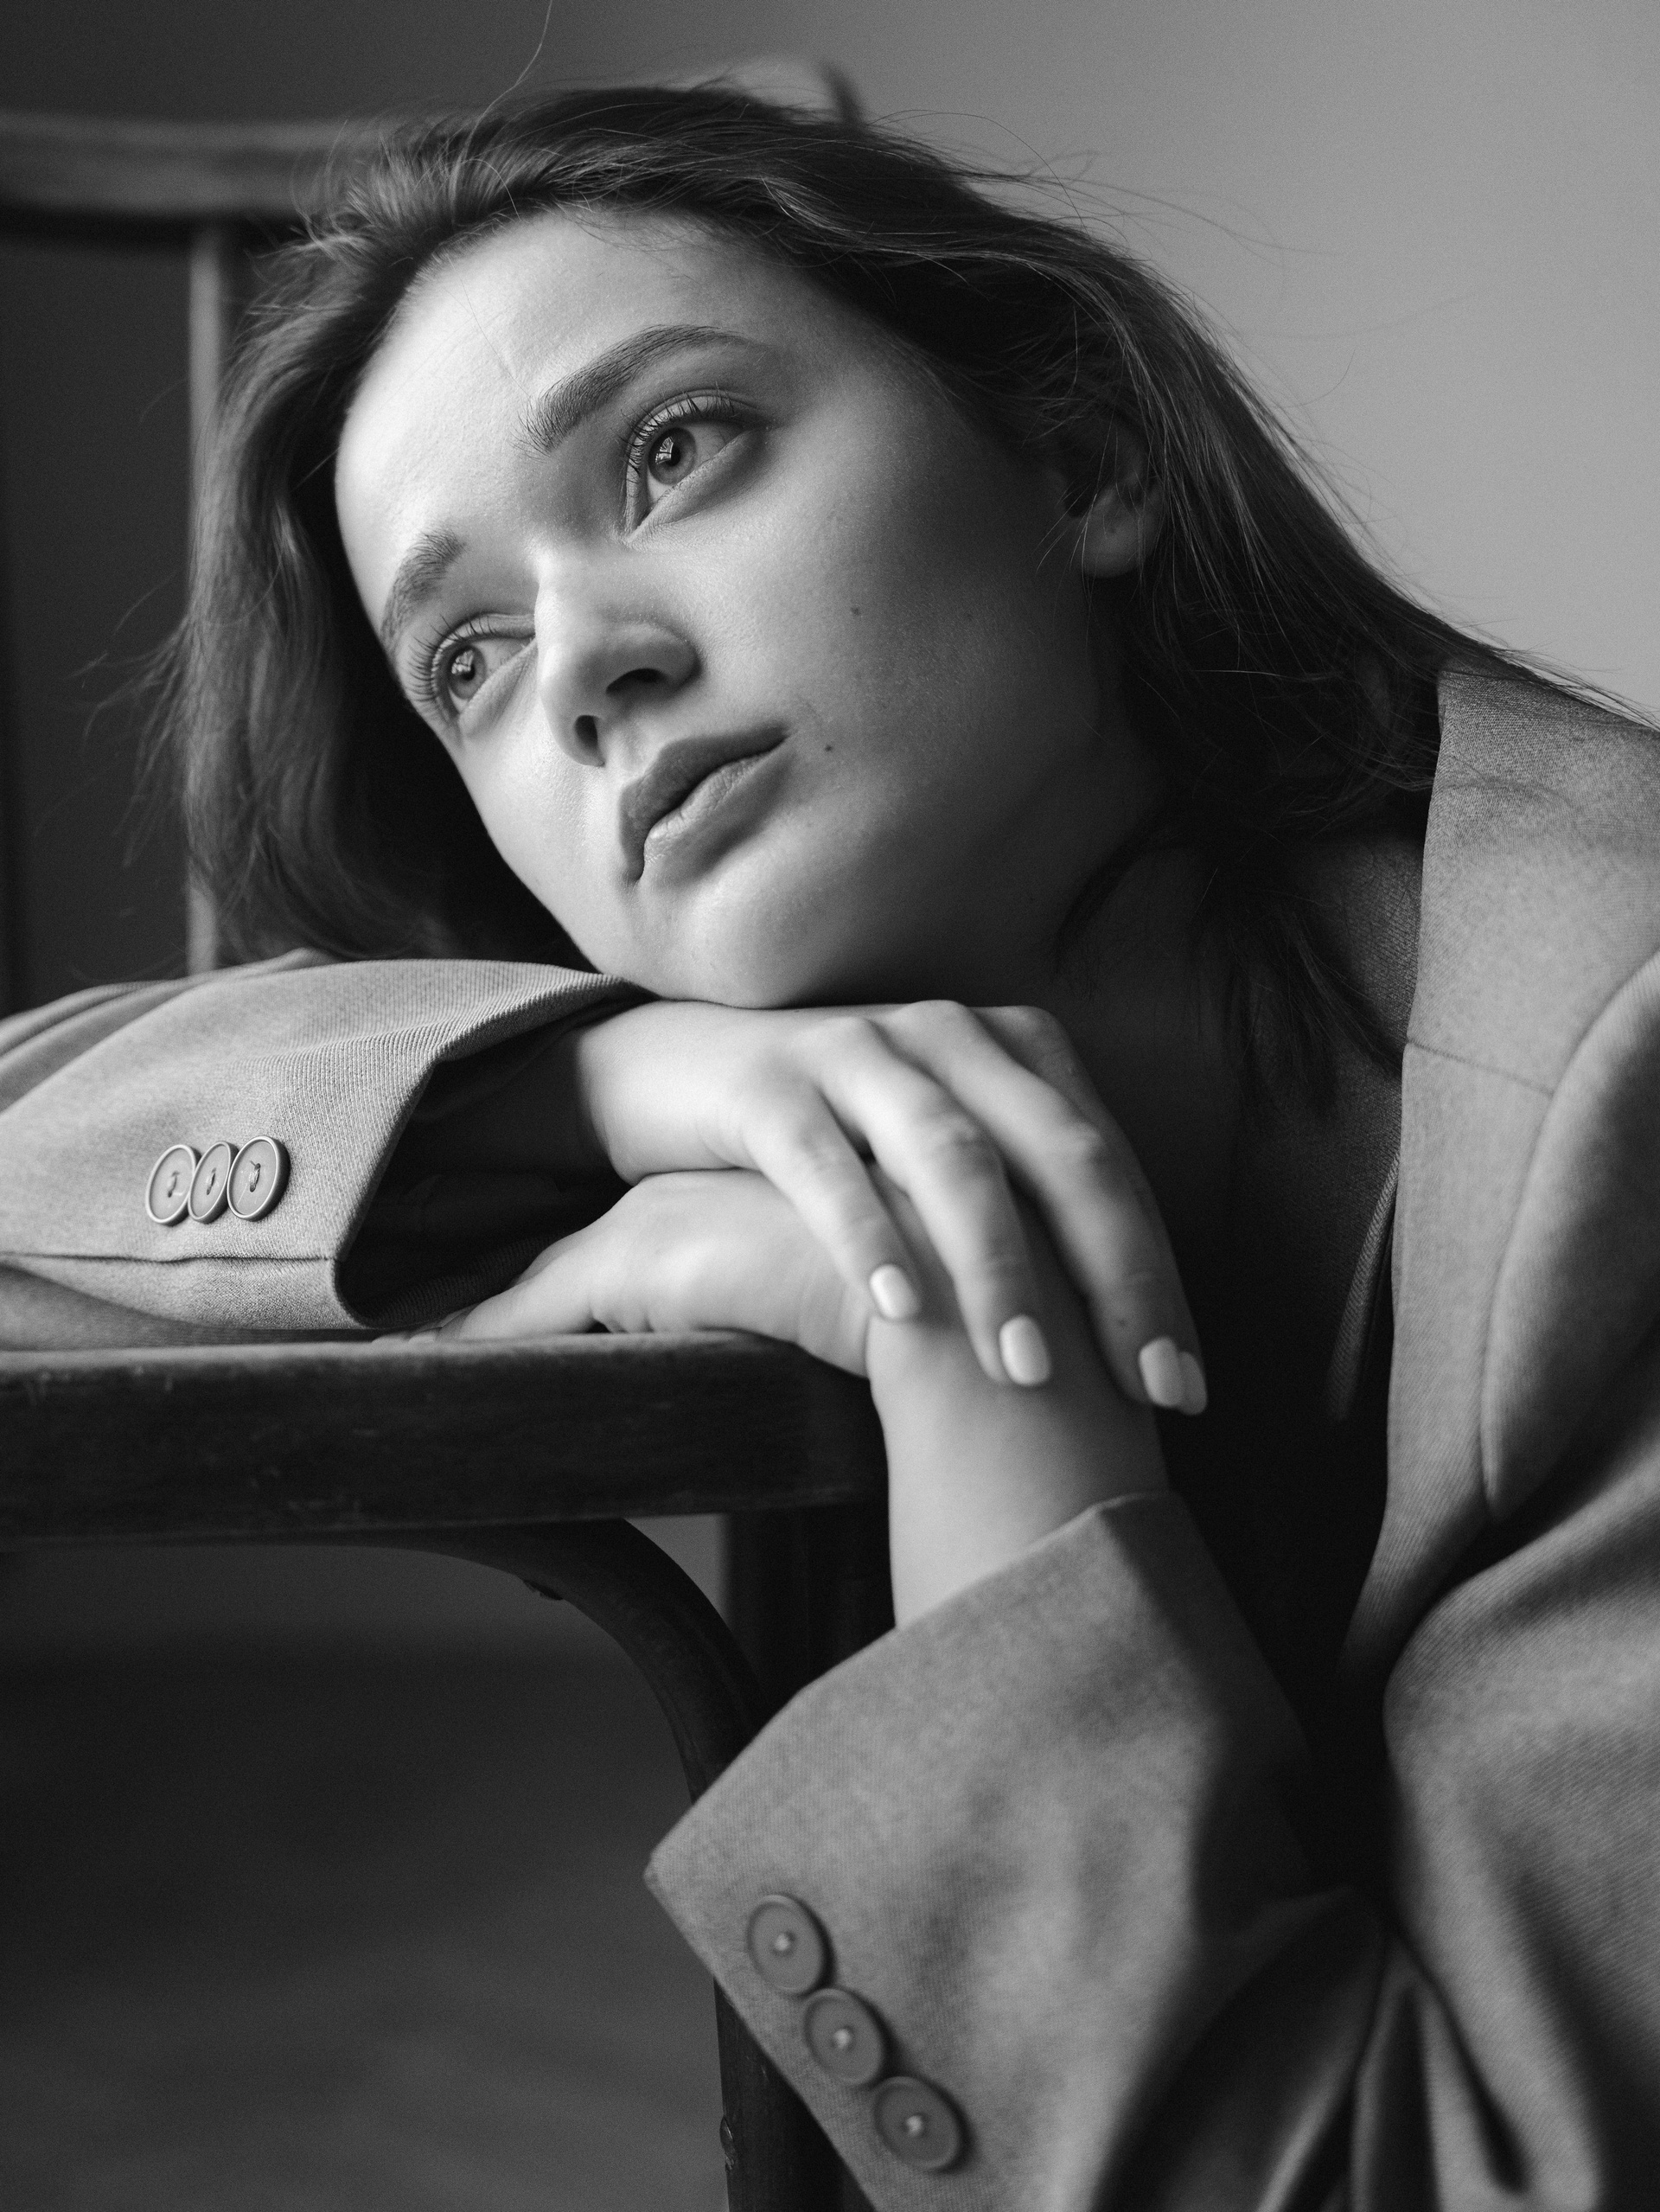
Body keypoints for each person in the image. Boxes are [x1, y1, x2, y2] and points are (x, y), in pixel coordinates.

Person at [3, 83, 1657, 2207]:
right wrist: (612, 1081)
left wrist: (977, 1347)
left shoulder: (1615, 1087)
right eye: (467, 657)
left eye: (675, 450)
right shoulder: (727, 1075)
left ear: (1082, 457)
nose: (581, 668)